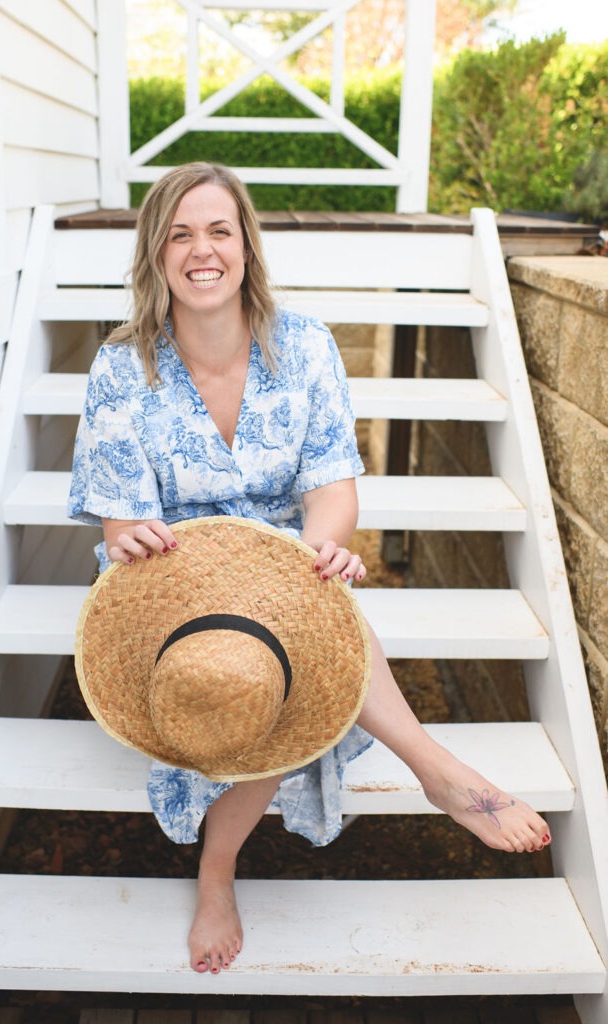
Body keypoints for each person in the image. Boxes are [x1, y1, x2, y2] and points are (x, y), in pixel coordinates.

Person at [68, 161, 551, 977]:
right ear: (155, 255)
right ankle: (436, 770)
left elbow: (330, 485)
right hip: (171, 573)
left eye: (219, 230)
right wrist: (130, 536)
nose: (201, 250)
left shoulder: (306, 347)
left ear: (246, 247)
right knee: (241, 663)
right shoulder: (121, 366)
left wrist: (320, 545)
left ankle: (220, 871)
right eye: (179, 234)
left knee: (282, 665)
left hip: (278, 562)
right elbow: (121, 512)